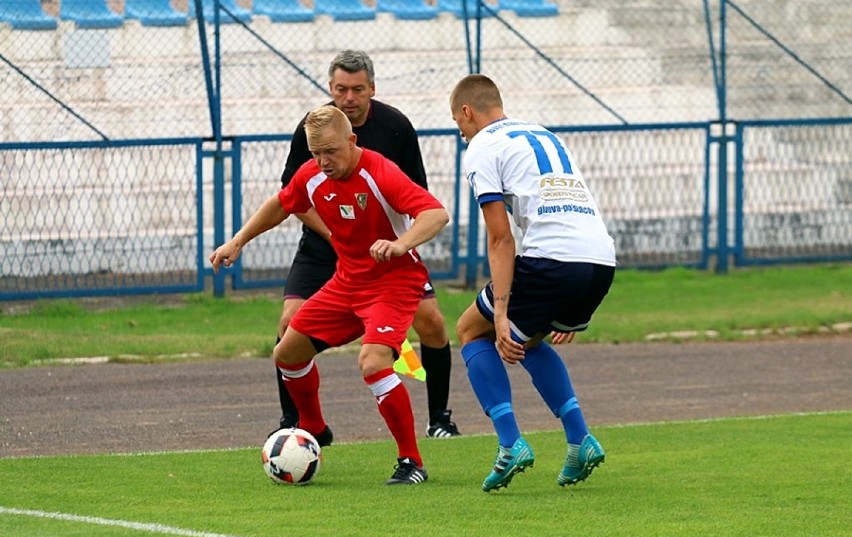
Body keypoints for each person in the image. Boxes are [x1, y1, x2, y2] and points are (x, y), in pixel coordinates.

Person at [211, 105, 448, 484]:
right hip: (347, 282)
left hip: (394, 284)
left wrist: (401, 244)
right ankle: (315, 430)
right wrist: (237, 241)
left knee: (373, 363)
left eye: (331, 152)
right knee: (286, 353)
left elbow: (436, 213)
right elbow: (281, 204)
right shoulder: (312, 175)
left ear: (352, 141)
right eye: (315, 153)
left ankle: (411, 461)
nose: (322, 161)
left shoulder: (380, 172)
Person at [274, 50, 460, 440]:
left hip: (384, 251)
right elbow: (289, 196)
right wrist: (334, 232)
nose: (349, 97)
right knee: (290, 324)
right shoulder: (315, 128)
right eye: (341, 89)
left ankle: (439, 419)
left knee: (432, 323)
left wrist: (401, 243)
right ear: (330, 89)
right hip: (323, 246)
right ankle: (298, 425)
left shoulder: (395, 128)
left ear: (372, 88)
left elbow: (422, 202)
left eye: (358, 89)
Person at [449, 74, 617, 492]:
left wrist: (502, 312)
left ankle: (510, 444)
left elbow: (500, 237)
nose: (462, 133)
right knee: (530, 342)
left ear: (467, 113)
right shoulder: (542, 134)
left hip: (554, 260)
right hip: (600, 261)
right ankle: (580, 440)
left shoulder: (483, 146)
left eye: (459, 125)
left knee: (472, 329)